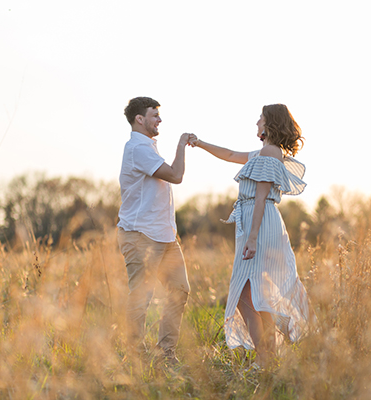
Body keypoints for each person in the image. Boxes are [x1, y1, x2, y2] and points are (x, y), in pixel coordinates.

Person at [188, 103, 311, 367]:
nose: (257, 122)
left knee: (246, 297)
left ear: (270, 123)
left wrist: (252, 237)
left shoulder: (269, 151)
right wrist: (199, 143)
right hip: (256, 222)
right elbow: (231, 154)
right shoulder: (266, 152)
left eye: (261, 118)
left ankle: (267, 358)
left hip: (260, 222)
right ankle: (269, 358)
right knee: (256, 295)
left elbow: (261, 195)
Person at [117, 96, 195, 365]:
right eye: (154, 115)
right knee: (141, 297)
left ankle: (166, 354)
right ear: (140, 119)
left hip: (164, 236)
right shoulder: (138, 149)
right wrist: (182, 145)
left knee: (179, 290)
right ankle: (134, 358)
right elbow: (175, 175)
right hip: (141, 235)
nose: (159, 119)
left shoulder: (148, 147)